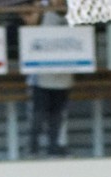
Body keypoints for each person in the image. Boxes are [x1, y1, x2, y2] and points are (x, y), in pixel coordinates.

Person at [26, 1, 73, 157]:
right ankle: (33, 146)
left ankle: (53, 145)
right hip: (42, 73)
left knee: (58, 115)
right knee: (39, 114)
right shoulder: (41, 10)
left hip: (63, 73)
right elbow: (30, 26)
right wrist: (37, 11)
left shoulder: (71, 11)